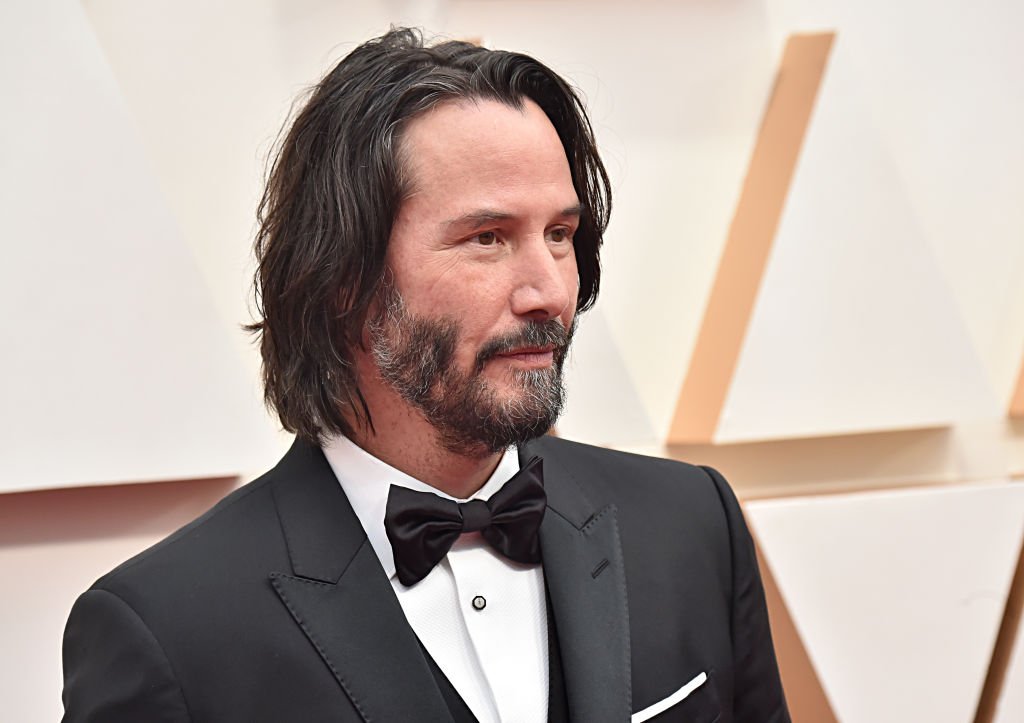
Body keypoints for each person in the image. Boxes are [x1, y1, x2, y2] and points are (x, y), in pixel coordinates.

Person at [61, 28, 790, 722]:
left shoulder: (691, 524)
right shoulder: (169, 630)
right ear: (344, 279)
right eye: (488, 238)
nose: (549, 291)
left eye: (560, 235)